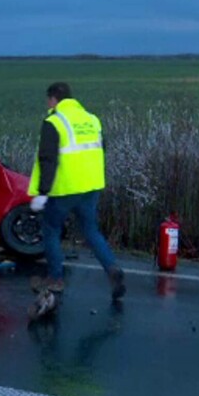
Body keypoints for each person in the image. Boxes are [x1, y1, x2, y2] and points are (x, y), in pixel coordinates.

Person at [29, 82, 125, 304]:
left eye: (48, 100)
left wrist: (43, 192)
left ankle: (55, 279)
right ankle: (112, 269)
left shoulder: (54, 121)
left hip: (65, 189)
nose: (47, 104)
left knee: (51, 231)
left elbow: (47, 159)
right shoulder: (91, 119)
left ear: (54, 99)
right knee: (91, 231)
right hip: (91, 186)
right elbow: (102, 148)